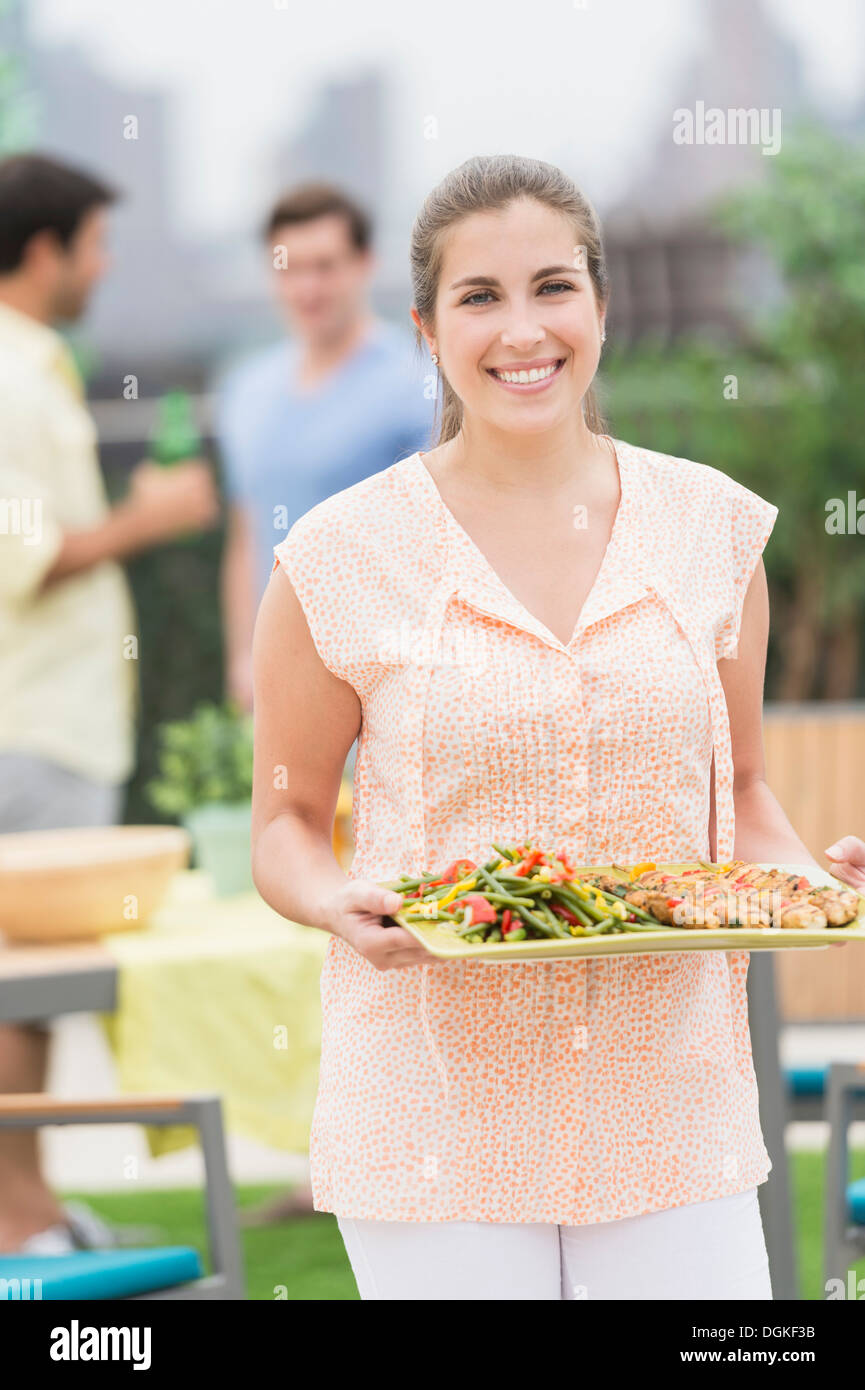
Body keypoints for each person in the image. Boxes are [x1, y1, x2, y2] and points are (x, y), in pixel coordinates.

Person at [249, 153, 855, 1300]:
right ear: (427, 328)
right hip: (436, 1111)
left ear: (601, 306)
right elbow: (282, 816)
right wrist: (332, 897)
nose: (521, 329)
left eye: (552, 287)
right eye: (479, 297)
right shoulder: (336, 557)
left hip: (671, 1102)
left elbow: (743, 794)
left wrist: (808, 890)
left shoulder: (713, 531)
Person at [0, 153, 219, 1254]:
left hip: (47, 720)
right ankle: (16, 1224)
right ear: (44, 250)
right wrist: (157, 513)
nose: (106, 260)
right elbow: (19, 560)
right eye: (94, 241)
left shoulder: (33, 364)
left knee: (29, 990)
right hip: (29, 723)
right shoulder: (7, 369)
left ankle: (26, 1206)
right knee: (23, 987)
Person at [216, 181, 435, 715]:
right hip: (279, 684)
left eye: (325, 266)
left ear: (364, 263)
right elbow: (248, 531)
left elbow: (444, 537)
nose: (307, 287)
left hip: (388, 685)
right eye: (290, 269)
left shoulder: (420, 382)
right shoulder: (245, 388)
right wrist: (243, 659)